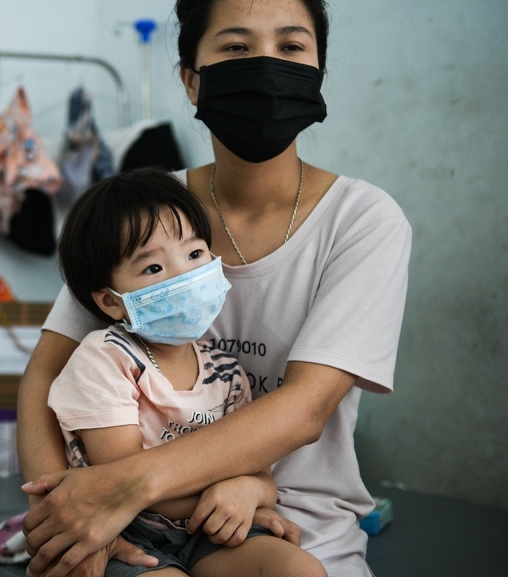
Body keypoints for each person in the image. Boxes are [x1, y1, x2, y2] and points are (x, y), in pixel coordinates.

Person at [17, 0, 412, 577]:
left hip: (284, 520)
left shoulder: (362, 220)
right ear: (191, 79)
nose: (265, 67)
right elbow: (45, 377)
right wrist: (67, 520)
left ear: (317, 73)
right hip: (125, 524)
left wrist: (117, 489)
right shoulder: (143, 212)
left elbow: (305, 408)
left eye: (291, 47)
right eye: (234, 49)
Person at [49, 167, 327, 577]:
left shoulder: (227, 373)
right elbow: (123, 483)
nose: (185, 275)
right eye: (153, 269)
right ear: (111, 302)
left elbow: (260, 474)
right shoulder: (103, 360)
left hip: (208, 527)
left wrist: (248, 491)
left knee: (298, 570)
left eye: (195, 254)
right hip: (123, 530)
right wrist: (221, 496)